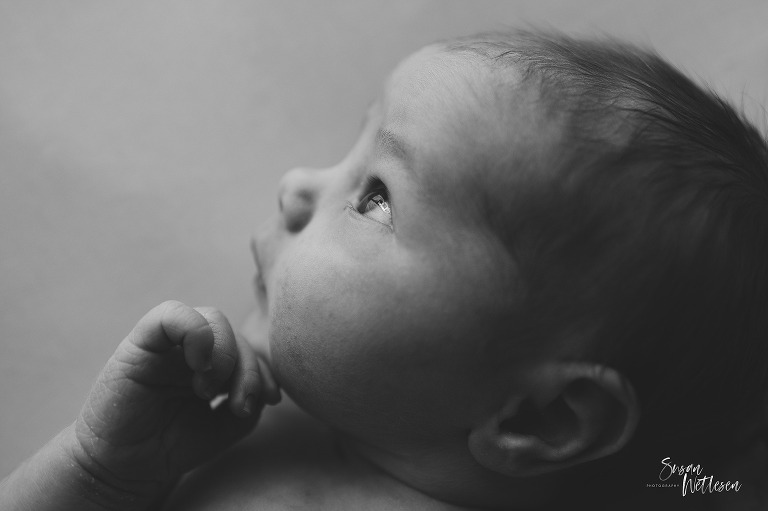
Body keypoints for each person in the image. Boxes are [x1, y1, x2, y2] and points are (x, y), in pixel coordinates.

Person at [2, 29, 767, 510]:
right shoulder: (240, 426)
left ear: (540, 417)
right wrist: (99, 472)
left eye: (374, 198)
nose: (298, 182)